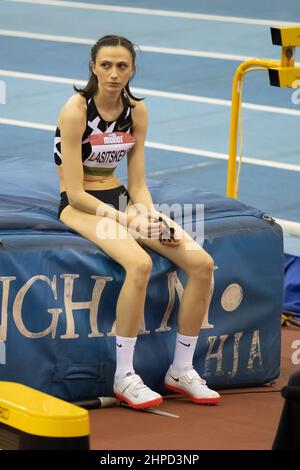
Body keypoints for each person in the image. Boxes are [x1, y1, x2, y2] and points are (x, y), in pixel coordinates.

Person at [54, 35, 220, 409]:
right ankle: (125, 376)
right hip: (80, 205)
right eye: (107, 65)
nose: (114, 74)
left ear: (132, 70)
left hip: (120, 198)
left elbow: (139, 184)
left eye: (122, 66)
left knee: (202, 264)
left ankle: (180, 368)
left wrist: (145, 214)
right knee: (140, 264)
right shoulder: (75, 110)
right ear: (93, 67)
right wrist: (129, 224)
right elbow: (77, 193)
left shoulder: (137, 111)